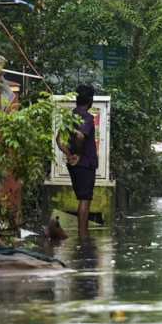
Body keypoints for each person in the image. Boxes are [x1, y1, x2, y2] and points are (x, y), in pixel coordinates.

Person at [58, 85, 98, 237]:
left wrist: (69, 155)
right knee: (85, 199)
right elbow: (81, 136)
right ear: (90, 101)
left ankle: (83, 233)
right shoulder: (87, 117)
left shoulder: (69, 116)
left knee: (82, 198)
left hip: (74, 165)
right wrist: (79, 154)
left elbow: (59, 140)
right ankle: (83, 235)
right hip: (85, 164)